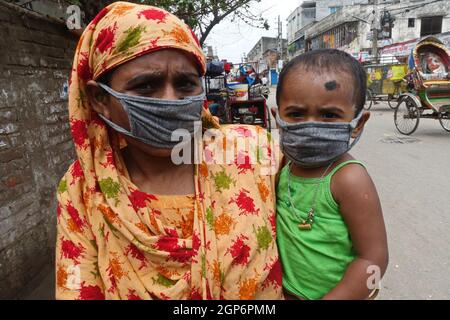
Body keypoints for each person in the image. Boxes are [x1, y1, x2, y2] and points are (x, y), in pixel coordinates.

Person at [55, 2, 282, 300]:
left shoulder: (252, 152)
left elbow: (324, 247)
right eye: (146, 85)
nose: (171, 100)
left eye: (186, 84)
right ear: (100, 99)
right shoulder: (84, 188)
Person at [275, 49, 389, 300]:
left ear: (358, 123)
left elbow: (374, 258)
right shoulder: (283, 166)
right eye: (295, 114)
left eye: (329, 115)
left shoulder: (349, 179)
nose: (311, 124)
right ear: (277, 119)